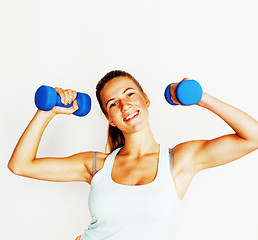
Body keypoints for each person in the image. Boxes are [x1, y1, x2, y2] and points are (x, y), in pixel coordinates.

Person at [8, 70, 258, 240]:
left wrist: (201, 98)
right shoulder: (96, 165)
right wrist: (47, 112)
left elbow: (253, 137)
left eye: (130, 94)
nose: (125, 105)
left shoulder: (179, 160)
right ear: (110, 119)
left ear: (146, 100)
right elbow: (20, 165)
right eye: (113, 104)